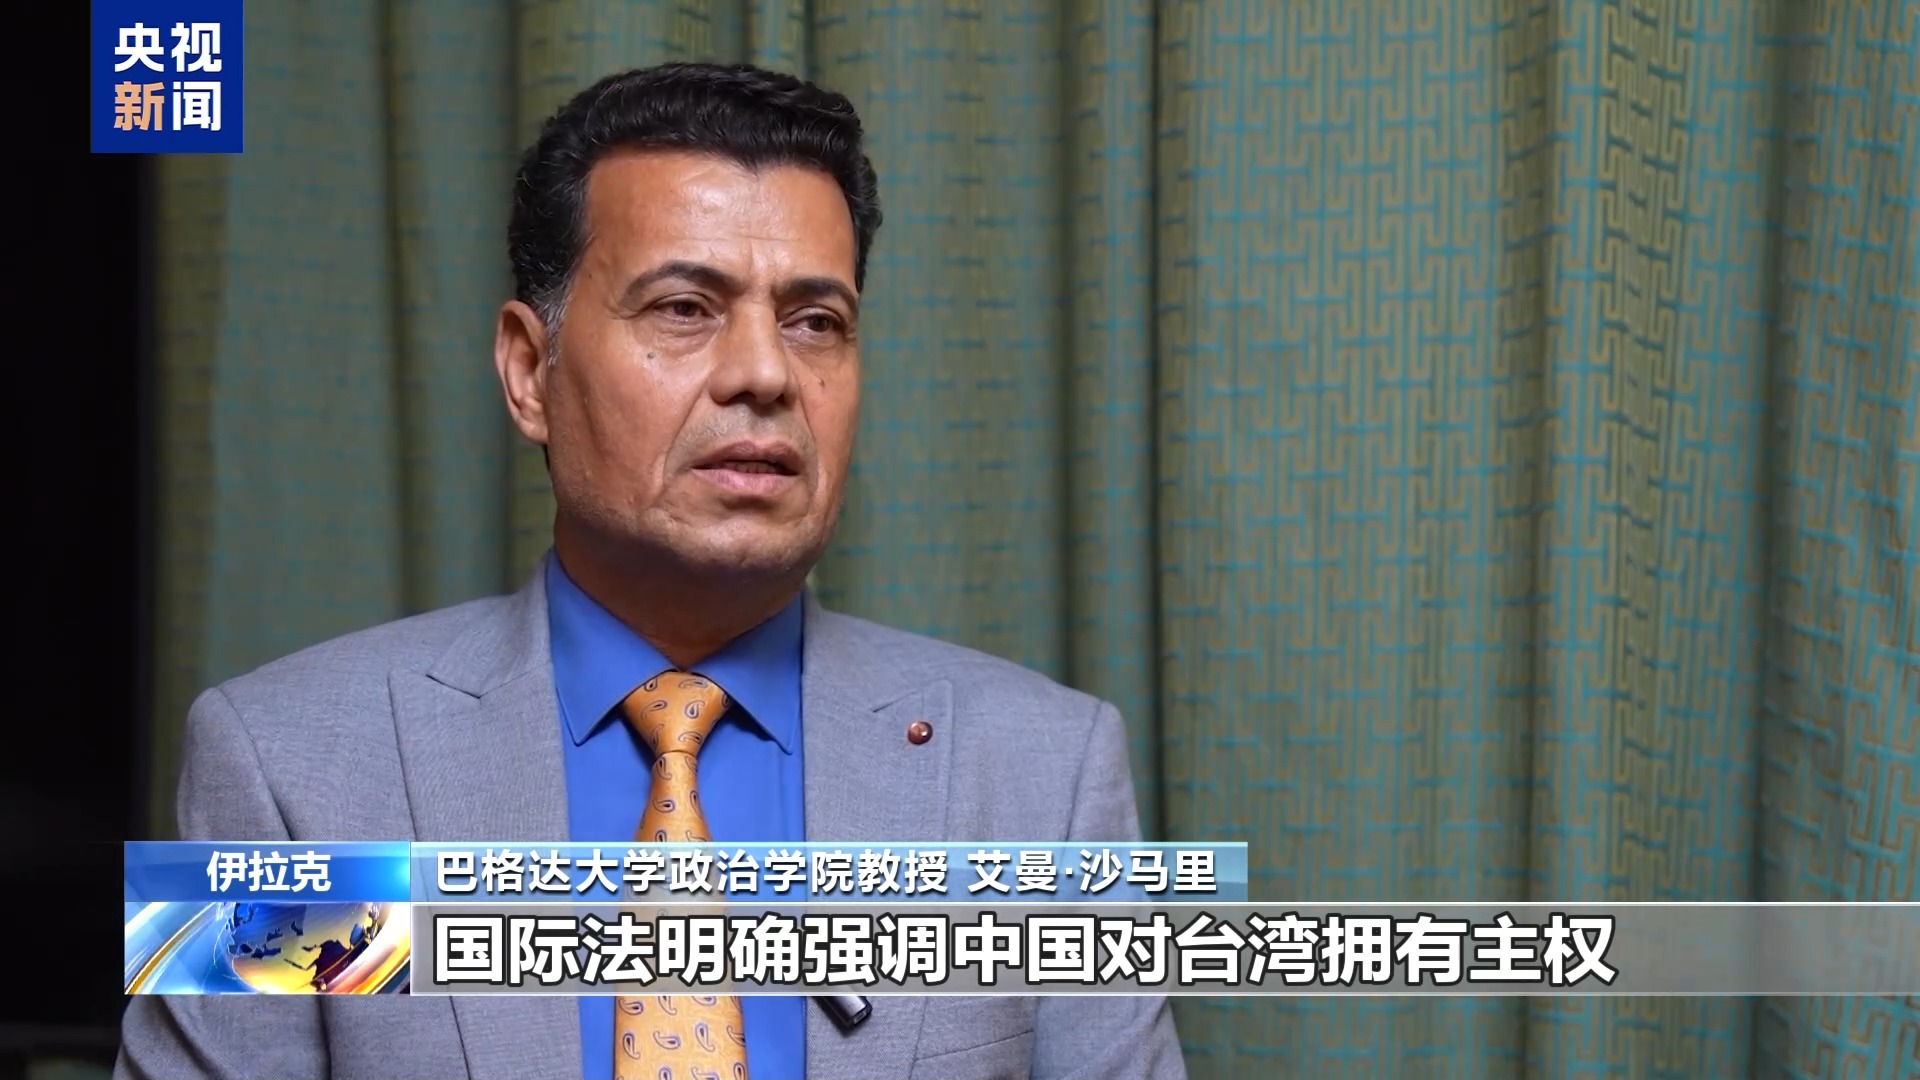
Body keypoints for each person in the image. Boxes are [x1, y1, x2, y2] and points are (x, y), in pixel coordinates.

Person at [116, 61, 1185, 1080]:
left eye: (816, 322)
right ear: (528, 371)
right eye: (684, 308)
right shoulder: (290, 773)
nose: (765, 373)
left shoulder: (1043, 779)